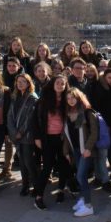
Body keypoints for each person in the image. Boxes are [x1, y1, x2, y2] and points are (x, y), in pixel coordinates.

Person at [33, 75, 71, 210]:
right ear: (53, 84)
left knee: (63, 165)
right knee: (47, 167)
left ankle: (61, 190)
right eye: (58, 83)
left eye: (63, 83)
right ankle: (38, 196)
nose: (60, 85)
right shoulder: (43, 100)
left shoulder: (68, 100)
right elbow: (35, 121)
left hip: (62, 139)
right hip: (47, 138)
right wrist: (37, 138)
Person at [63, 88, 99, 217]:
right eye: (68, 98)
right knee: (81, 177)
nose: (70, 100)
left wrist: (88, 148)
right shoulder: (67, 113)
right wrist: (66, 151)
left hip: (86, 150)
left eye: (73, 97)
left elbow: (94, 132)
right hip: (76, 150)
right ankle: (83, 200)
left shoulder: (87, 112)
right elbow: (66, 135)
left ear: (78, 98)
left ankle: (89, 206)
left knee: (80, 176)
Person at [7, 73, 39, 197]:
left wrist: (20, 132)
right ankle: (25, 185)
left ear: (28, 83)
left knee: (29, 162)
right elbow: (10, 115)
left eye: (23, 82)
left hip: (27, 136)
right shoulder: (15, 96)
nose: (20, 84)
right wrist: (13, 132)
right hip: (16, 135)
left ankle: (36, 187)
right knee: (22, 162)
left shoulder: (32, 97)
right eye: (18, 81)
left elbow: (30, 118)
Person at [87, 68, 111, 192]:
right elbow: (100, 109)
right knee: (102, 155)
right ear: (104, 77)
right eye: (109, 77)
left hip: (105, 125)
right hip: (100, 126)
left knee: (100, 154)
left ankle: (98, 177)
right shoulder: (100, 88)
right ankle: (105, 181)